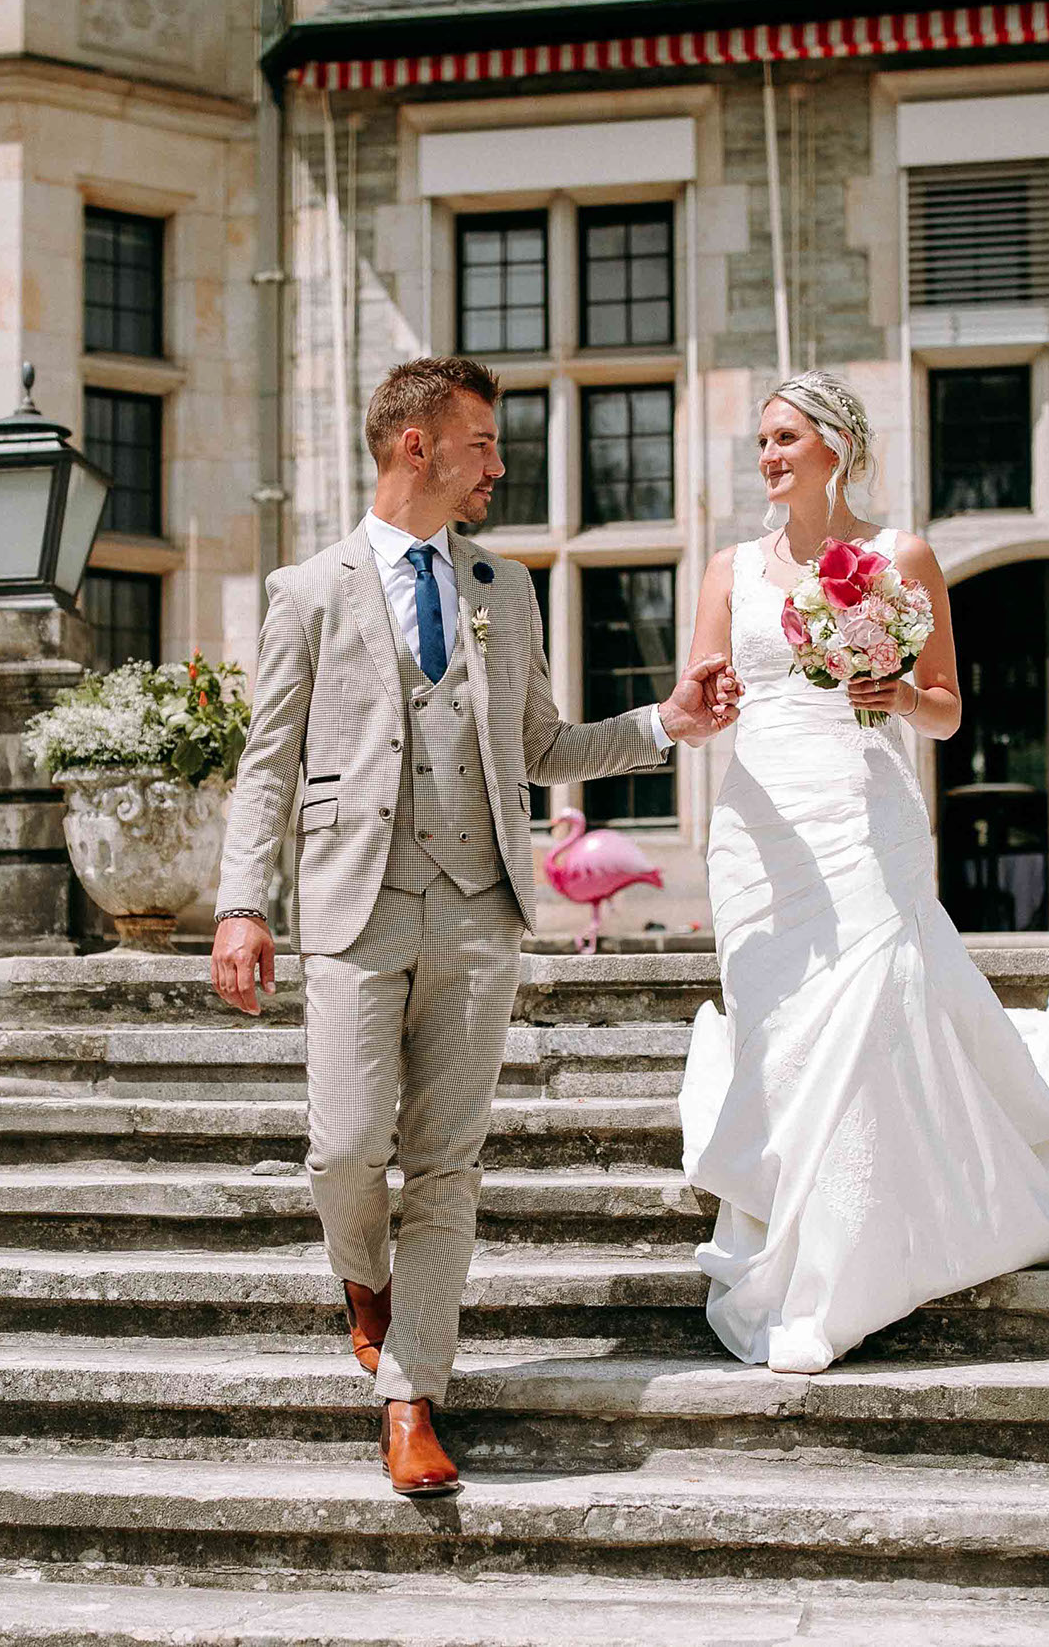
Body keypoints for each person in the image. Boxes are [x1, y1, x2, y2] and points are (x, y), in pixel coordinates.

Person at [211, 355, 742, 1495]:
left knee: (445, 1165)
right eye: (483, 444)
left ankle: (412, 1393)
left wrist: (665, 720)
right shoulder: (306, 590)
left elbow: (539, 746)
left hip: (480, 905)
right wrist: (242, 903)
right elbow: (266, 767)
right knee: (345, 1147)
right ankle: (363, 1275)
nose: (498, 465)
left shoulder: (506, 587)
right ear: (419, 446)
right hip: (354, 900)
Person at [677, 369, 1049, 1375]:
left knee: (876, 1001)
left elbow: (946, 707)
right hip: (759, 822)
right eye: (761, 439)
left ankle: (848, 1262)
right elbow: (701, 693)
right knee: (783, 1024)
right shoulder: (728, 570)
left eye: (786, 436)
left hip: (863, 800)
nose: (768, 455)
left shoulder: (898, 556)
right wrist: (699, 701)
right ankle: (794, 1227)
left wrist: (889, 689)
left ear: (836, 443)